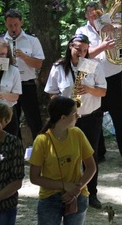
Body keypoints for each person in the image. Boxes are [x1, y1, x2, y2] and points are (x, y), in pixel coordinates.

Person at [44, 34, 107, 209]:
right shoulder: (59, 67)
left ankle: (91, 193)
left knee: (90, 155)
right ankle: (64, 190)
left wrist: (88, 89)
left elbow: (103, 92)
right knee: (66, 156)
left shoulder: (94, 65)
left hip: (90, 117)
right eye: (78, 49)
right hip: (66, 119)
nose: (81, 53)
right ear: (70, 47)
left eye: (85, 50)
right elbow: (52, 92)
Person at [29, 96, 97, 225]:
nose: (78, 115)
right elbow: (34, 177)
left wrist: (76, 190)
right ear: (63, 118)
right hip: (50, 198)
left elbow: (91, 167)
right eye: (74, 113)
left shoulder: (77, 133)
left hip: (78, 196)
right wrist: (64, 185)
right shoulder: (42, 140)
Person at [77, 2, 122, 157]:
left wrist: (116, 29)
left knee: (119, 116)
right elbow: (83, 55)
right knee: (94, 115)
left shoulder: (112, 25)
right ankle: (99, 152)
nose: (94, 16)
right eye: (91, 14)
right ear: (86, 15)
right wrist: (103, 47)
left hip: (114, 76)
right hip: (94, 79)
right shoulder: (82, 31)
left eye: (97, 13)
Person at [0, 9, 44, 138]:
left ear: (21, 23)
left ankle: (40, 150)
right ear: (5, 24)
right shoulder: (0, 41)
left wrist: (24, 57)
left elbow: (39, 64)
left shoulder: (32, 40)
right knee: (11, 120)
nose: (13, 28)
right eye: (10, 25)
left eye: (16, 25)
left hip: (27, 84)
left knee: (34, 119)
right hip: (9, 87)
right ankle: (15, 150)